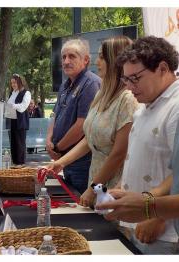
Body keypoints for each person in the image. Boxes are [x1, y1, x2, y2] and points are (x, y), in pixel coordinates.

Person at [97, 36, 179, 254]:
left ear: (163, 68)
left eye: (135, 78)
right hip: (143, 220)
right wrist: (133, 195)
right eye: (126, 80)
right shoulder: (145, 106)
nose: (130, 87)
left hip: (166, 231)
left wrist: (156, 213)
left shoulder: (176, 106)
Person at [47, 35, 138, 204]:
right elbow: (89, 139)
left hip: (112, 188)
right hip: (95, 179)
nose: (97, 62)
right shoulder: (101, 95)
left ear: (116, 60)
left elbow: (118, 154)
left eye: (102, 57)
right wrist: (60, 162)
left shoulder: (127, 100)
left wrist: (93, 188)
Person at [46, 38, 101, 193]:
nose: (66, 61)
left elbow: (82, 125)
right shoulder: (65, 85)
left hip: (82, 162)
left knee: (82, 208)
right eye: (63, 57)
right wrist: (49, 140)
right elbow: (55, 115)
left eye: (72, 56)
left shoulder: (90, 84)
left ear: (86, 60)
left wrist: (58, 147)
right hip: (65, 158)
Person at [4, 74, 31, 167]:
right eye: (12, 83)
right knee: (13, 142)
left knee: (20, 142)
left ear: (20, 82)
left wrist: (12, 106)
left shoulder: (26, 93)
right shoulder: (13, 93)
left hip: (20, 121)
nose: (13, 85)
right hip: (12, 120)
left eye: (14, 82)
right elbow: (9, 104)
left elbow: (23, 107)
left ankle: (21, 162)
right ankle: (15, 161)